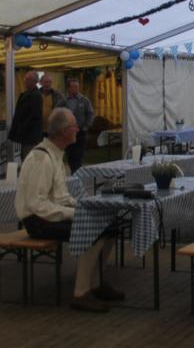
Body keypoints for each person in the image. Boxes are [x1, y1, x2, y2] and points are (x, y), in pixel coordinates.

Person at [16, 108, 122, 313]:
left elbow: (61, 197)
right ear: (64, 131)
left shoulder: (55, 155)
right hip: (37, 221)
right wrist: (75, 214)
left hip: (48, 215)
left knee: (111, 226)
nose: (78, 129)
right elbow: (37, 204)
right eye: (74, 126)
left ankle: (95, 283)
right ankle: (81, 293)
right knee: (94, 229)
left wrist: (85, 206)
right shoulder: (42, 158)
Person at [60, 77, 95, 174]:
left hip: (80, 133)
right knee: (70, 155)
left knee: (78, 156)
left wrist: (85, 127)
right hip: (67, 133)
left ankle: (77, 175)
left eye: (77, 87)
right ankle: (73, 172)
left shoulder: (84, 100)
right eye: (74, 87)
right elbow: (57, 112)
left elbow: (91, 114)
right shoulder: (64, 101)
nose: (76, 89)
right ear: (68, 88)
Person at [9, 71, 43, 160]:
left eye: (28, 80)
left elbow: (34, 115)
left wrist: (22, 127)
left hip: (30, 136)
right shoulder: (28, 94)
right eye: (25, 80)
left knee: (28, 159)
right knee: (25, 156)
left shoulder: (35, 95)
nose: (25, 82)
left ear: (34, 81)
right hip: (27, 136)